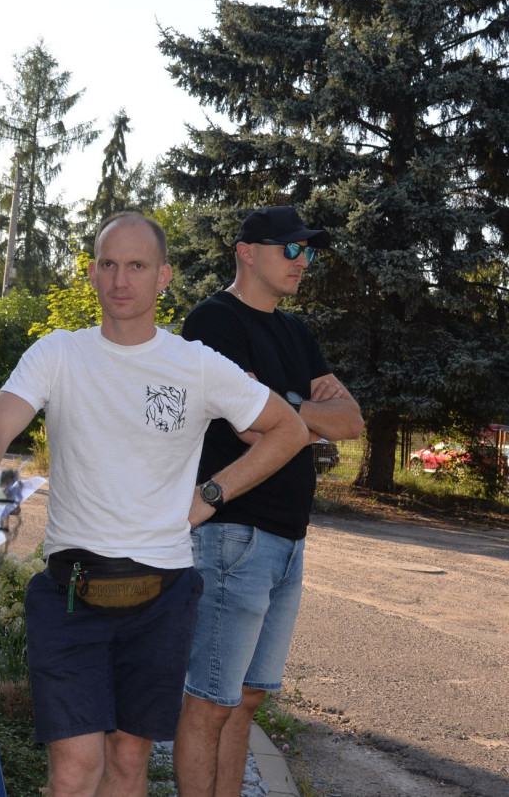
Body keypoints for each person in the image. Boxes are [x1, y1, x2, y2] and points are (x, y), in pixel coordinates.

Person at [0, 212, 308, 797]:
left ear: (163, 276)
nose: (121, 279)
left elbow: (287, 430)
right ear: (92, 274)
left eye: (137, 265)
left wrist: (209, 496)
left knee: (126, 761)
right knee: (74, 770)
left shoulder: (194, 363)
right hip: (71, 594)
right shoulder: (58, 353)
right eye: (109, 265)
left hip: (161, 598)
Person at [175, 205, 364, 797]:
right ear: (247, 251)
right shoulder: (214, 323)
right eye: (292, 249)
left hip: (288, 540)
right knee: (210, 702)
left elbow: (352, 421)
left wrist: (285, 408)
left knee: (247, 699)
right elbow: (253, 432)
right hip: (233, 533)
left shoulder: (295, 332)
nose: (304, 261)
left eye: (309, 251)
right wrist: (306, 418)